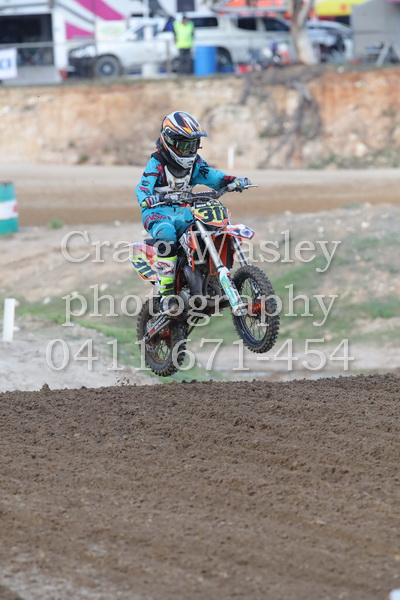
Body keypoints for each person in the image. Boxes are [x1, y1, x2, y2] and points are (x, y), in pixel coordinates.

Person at [135, 110, 251, 315]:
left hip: (183, 211)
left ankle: (209, 276)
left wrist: (234, 181)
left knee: (210, 227)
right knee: (167, 235)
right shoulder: (157, 162)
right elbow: (143, 187)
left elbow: (214, 177)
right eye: (184, 145)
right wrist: (147, 198)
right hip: (158, 212)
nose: (189, 150)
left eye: (193, 144)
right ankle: (167, 295)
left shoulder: (195, 164)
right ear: (170, 141)